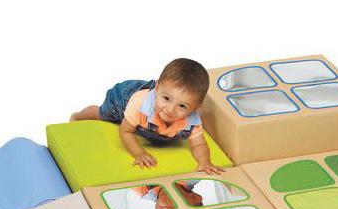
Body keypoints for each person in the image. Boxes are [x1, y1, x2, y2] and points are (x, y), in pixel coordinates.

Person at [70, 58, 225, 175]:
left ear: (195, 107)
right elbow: (126, 131)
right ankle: (78, 115)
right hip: (123, 99)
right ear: (157, 89)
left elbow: (199, 145)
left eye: (182, 106)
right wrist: (139, 153)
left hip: (147, 117)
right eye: (166, 99)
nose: (170, 110)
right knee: (104, 114)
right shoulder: (140, 104)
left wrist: (205, 162)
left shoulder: (191, 121)